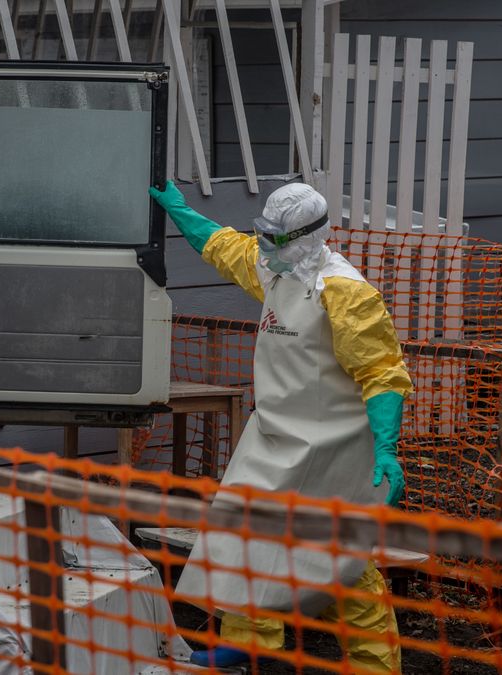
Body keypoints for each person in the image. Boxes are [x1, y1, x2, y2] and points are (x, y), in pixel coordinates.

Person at [148, 180, 412, 671]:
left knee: (341, 564)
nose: (264, 244)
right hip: (275, 439)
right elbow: (223, 246)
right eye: (263, 232)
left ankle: (376, 666)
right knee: (246, 542)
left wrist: (386, 448)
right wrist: (180, 210)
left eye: (276, 236)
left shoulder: (347, 293)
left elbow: (381, 373)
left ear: (307, 238)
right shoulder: (275, 270)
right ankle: (249, 649)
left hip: (332, 449)